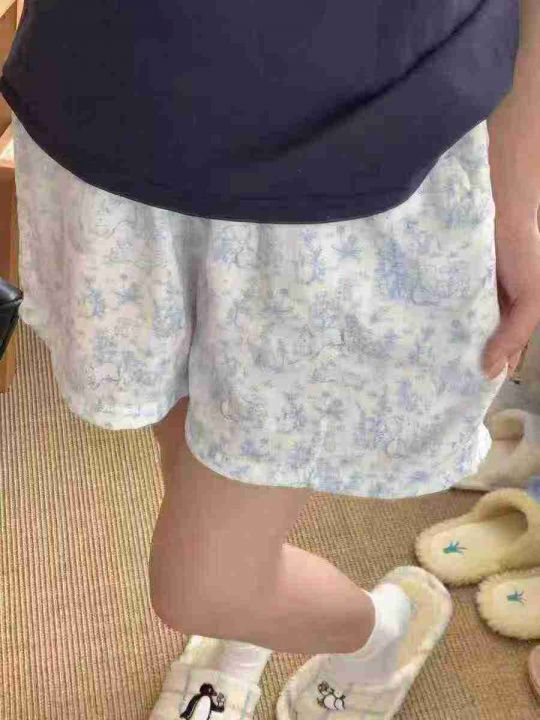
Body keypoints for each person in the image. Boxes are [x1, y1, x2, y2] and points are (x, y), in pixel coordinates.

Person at [3, 1, 540, 717]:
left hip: (344, 175)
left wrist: (517, 204)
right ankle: (250, 621)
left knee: (203, 587)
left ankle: (384, 633)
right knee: (192, 460)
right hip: (108, 118)